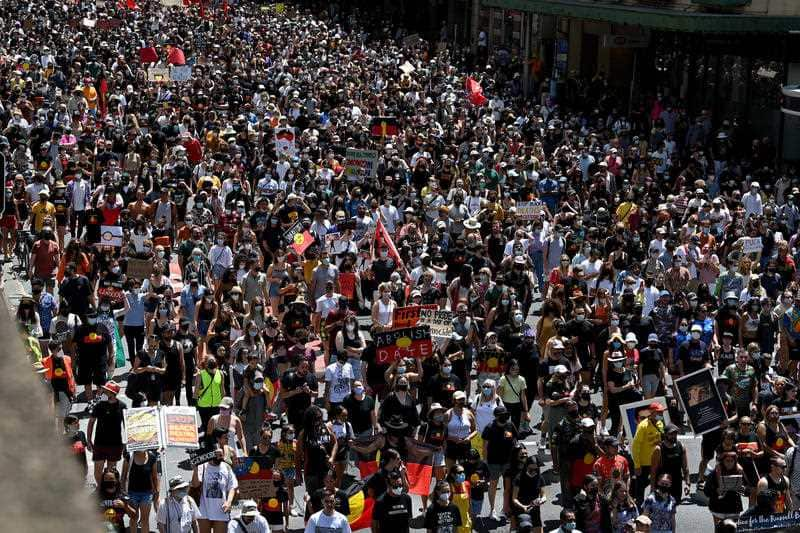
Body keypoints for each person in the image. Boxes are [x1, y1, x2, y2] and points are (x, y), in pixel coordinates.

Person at [87, 381, 127, 486]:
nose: (103, 392)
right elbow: (91, 422)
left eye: (106, 390)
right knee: (98, 471)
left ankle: (110, 490)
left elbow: (126, 425)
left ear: (112, 393)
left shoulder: (122, 406)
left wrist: (127, 442)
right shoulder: (99, 406)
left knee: (111, 472)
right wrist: (88, 440)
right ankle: (101, 489)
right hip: (100, 443)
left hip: (115, 444)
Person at [191, 448, 238, 533]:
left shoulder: (226, 467)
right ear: (211, 455)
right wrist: (195, 470)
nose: (219, 457)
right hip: (204, 510)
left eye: (221, 455)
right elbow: (195, 485)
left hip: (221, 509)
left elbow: (232, 487)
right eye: (217, 455)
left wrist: (229, 502)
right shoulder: (203, 466)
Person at [631, 402, 666, 504]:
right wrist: (637, 465)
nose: (661, 414)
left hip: (656, 461)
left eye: (661, 412)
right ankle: (639, 506)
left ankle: (655, 503)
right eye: (658, 412)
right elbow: (635, 447)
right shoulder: (642, 426)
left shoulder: (660, 424)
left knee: (656, 484)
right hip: (644, 463)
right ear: (652, 412)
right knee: (640, 487)